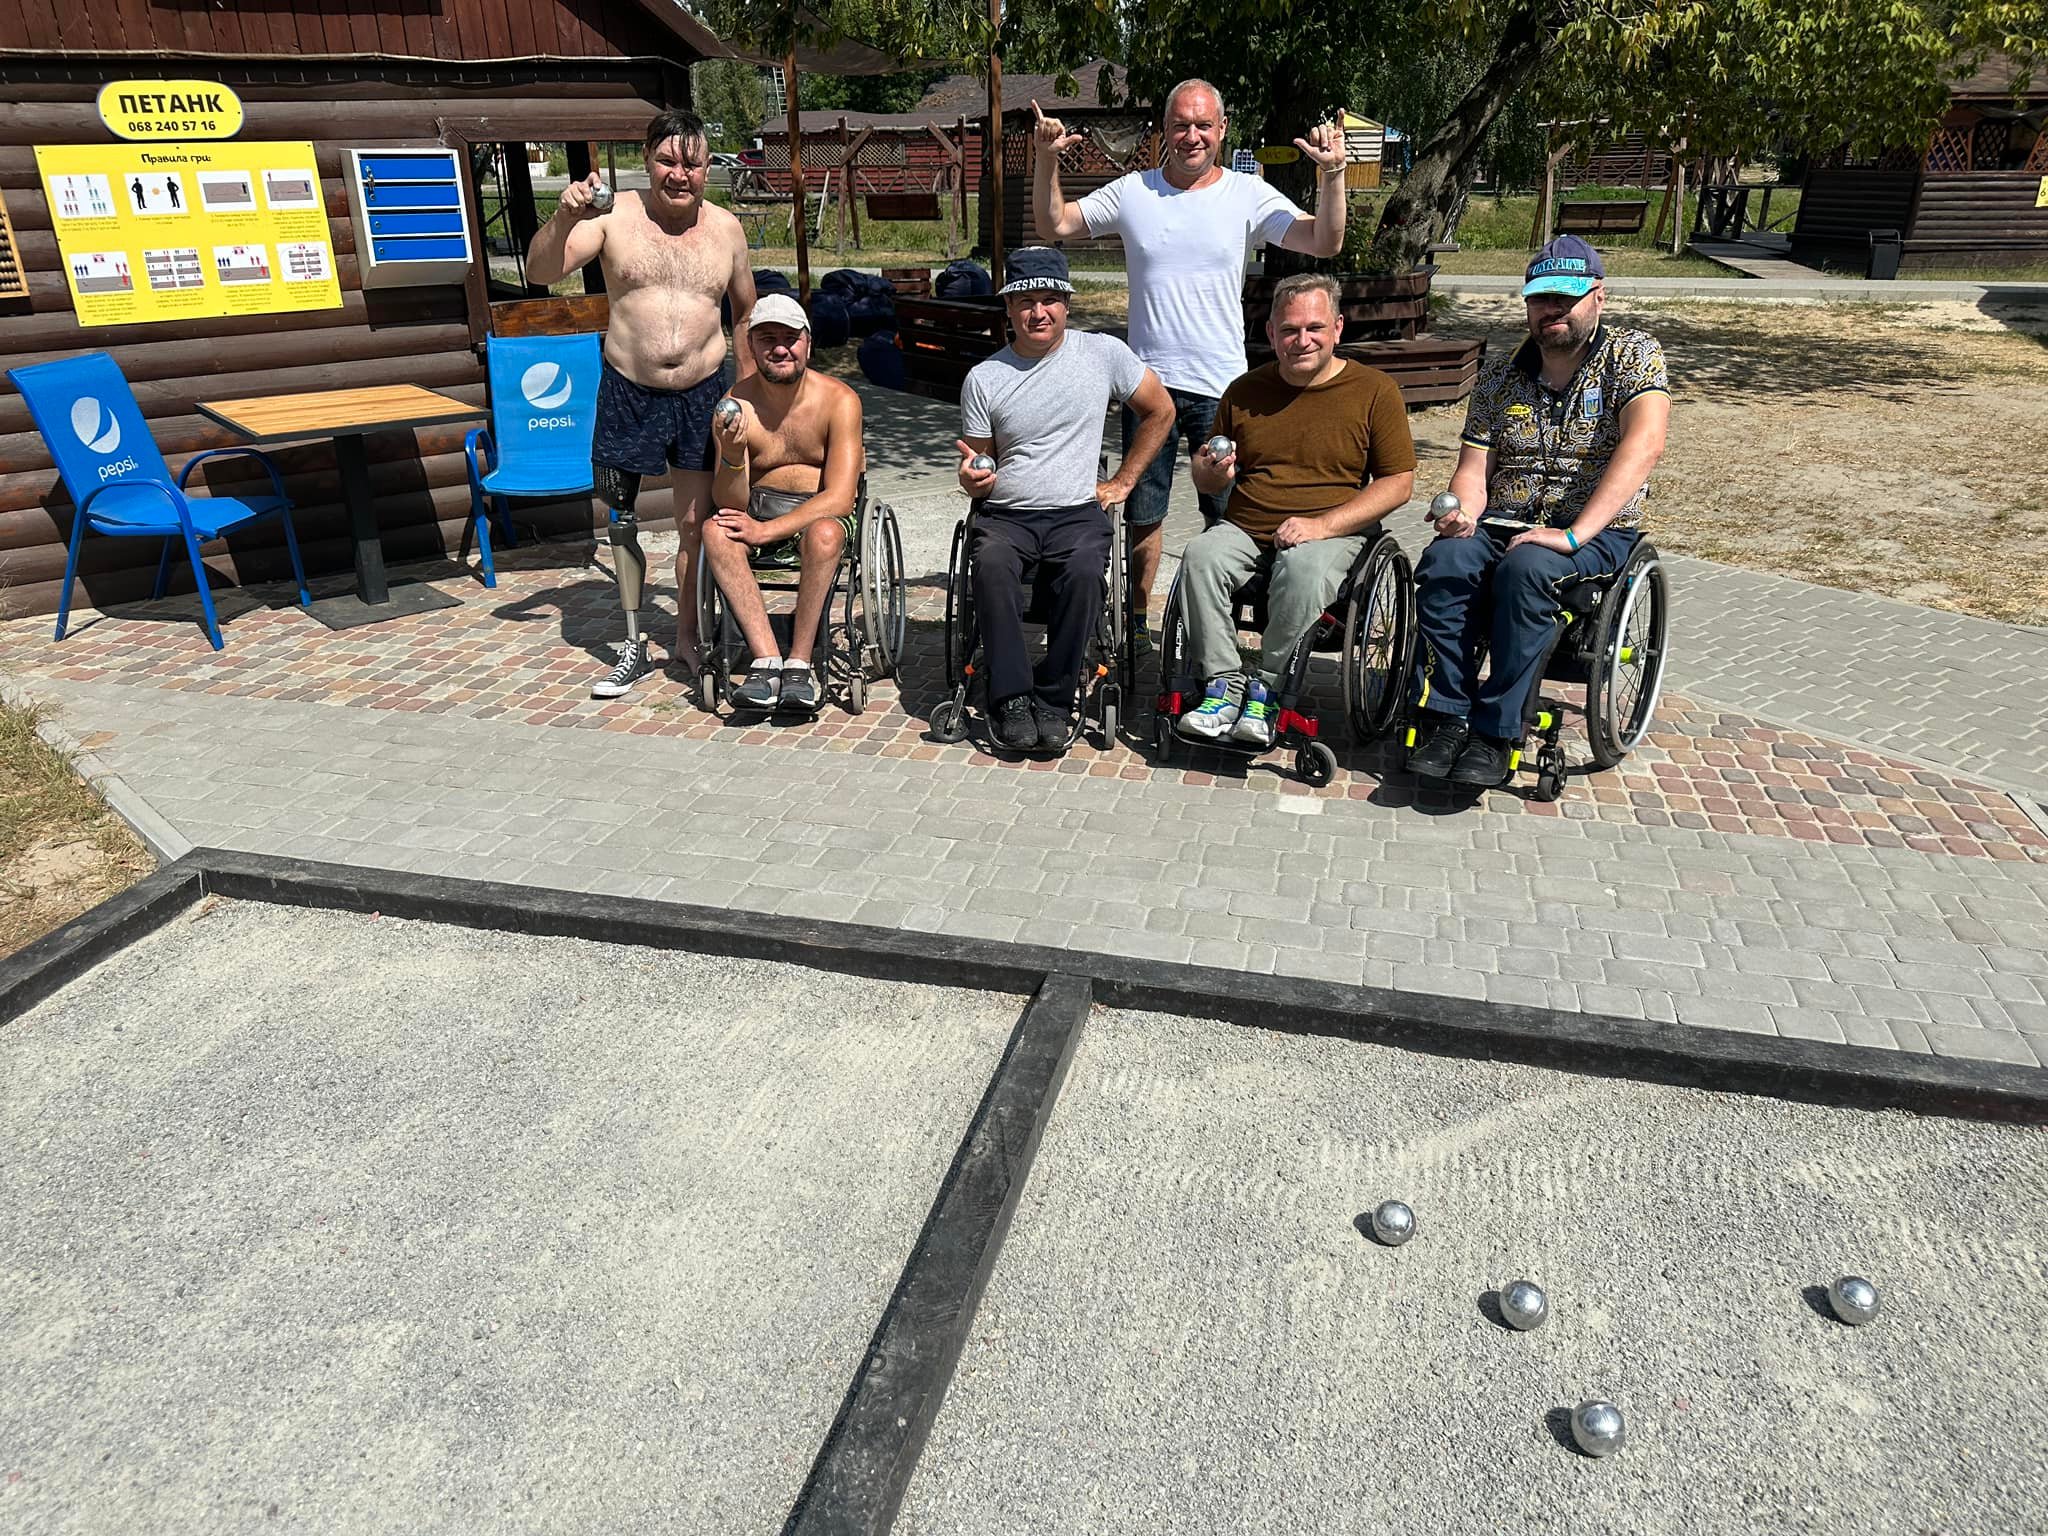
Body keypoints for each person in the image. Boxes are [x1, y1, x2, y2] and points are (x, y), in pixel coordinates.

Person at [1030, 80, 1346, 645]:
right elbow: (1056, 225)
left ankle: (1220, 629)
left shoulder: (1247, 194)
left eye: (1203, 125)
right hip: (1146, 388)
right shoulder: (1134, 193)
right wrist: (1046, 162)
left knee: (1230, 517)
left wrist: (1333, 175)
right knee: (1142, 513)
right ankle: (1136, 624)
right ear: (1165, 131)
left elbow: (1324, 241)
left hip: (1223, 388)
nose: (1192, 136)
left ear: (1222, 130)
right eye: (1181, 124)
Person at [1406, 236, 1671, 787]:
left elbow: (1644, 445)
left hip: (1595, 531)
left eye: (1564, 297)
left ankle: (1497, 731)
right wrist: (1464, 515)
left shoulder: (1633, 356)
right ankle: (1447, 715)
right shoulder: (1501, 377)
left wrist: (1572, 535)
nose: (1550, 309)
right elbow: (1474, 470)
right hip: (1503, 519)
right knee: (1445, 560)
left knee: (1526, 571)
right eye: (1539, 298)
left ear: (1597, 296)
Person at [526, 109, 757, 699]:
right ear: (646, 159)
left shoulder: (728, 229)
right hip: (628, 392)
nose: (679, 174)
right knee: (622, 524)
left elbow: (746, 312)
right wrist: (564, 213)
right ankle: (631, 643)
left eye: (692, 163)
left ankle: (685, 635)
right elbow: (540, 270)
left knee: (693, 527)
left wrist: (748, 395)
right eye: (667, 160)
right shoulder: (613, 215)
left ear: (708, 167)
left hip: (703, 392)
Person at [1179, 274, 1416, 746]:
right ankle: (1223, 685)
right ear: (1271, 334)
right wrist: (1211, 471)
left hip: (1334, 530)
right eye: (1289, 330)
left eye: (1314, 327)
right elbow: (1205, 475)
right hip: (1247, 526)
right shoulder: (1245, 390)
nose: (1301, 340)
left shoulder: (1374, 391)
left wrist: (1322, 525)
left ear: (1338, 328)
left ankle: (1269, 688)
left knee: (1303, 569)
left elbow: (1399, 483)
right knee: (1200, 556)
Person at [956, 246, 1173, 753]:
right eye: (1026, 301)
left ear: (1067, 304)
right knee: (989, 563)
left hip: (1077, 509)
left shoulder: (1102, 354)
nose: (1039, 312)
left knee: (1082, 571)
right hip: (1006, 513)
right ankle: (1009, 697)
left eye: (1050, 299)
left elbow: (1160, 411)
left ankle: (1055, 698)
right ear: (1008, 309)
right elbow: (979, 465)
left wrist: (1122, 481)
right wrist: (973, 481)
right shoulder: (985, 377)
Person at [701, 292, 864, 715]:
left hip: (819, 513)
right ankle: (767, 659)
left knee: (827, 534)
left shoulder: (839, 400)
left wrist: (769, 530)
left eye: (790, 338)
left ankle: (800, 662)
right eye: (767, 338)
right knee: (715, 531)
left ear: (808, 342)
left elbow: (842, 496)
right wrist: (734, 456)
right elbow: (727, 500)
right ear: (751, 347)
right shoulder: (734, 405)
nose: (779, 348)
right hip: (758, 507)